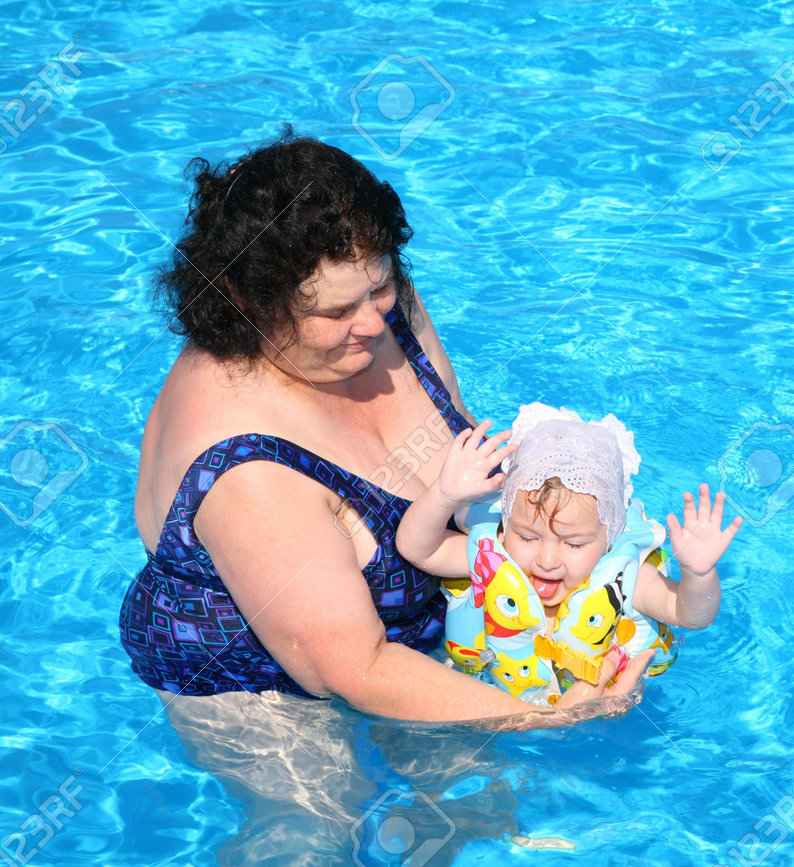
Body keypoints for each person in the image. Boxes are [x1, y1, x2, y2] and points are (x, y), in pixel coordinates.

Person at [117, 130, 648, 724]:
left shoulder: (372, 309)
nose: (373, 323)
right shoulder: (247, 470)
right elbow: (357, 669)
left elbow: (468, 469)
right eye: (337, 310)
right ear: (252, 305)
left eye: (381, 287)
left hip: (425, 641)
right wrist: (551, 718)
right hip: (265, 695)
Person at [396, 403, 742, 704]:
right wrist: (443, 495)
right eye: (527, 537)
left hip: (599, 720)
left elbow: (689, 615)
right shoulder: (494, 554)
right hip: (492, 704)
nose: (547, 561)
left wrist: (698, 574)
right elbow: (418, 549)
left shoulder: (628, 579)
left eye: (574, 544)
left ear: (611, 534)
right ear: (507, 520)